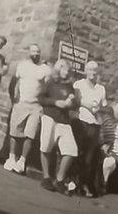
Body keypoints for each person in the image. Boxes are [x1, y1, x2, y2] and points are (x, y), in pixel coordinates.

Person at [3, 44, 50, 174]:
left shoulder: (45, 69)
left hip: (36, 106)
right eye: (33, 51)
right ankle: (12, 157)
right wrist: (14, 98)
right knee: (15, 132)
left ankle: (22, 161)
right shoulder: (22, 65)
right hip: (21, 103)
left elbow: (47, 88)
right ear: (29, 53)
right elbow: (15, 82)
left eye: (38, 52)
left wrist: (41, 100)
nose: (35, 54)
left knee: (30, 134)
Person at [37, 59, 78, 195]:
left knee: (72, 150)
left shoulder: (70, 86)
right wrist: (56, 102)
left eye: (68, 69)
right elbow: (41, 98)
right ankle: (46, 177)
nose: (66, 72)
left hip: (64, 121)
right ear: (58, 69)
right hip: (50, 117)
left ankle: (59, 180)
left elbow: (75, 105)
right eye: (63, 68)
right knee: (46, 146)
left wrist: (70, 103)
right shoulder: (50, 83)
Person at [72, 60, 107, 197]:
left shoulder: (101, 89)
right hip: (81, 121)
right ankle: (73, 182)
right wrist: (86, 105)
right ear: (85, 71)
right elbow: (74, 102)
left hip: (94, 125)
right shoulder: (79, 84)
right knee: (77, 153)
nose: (92, 72)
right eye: (90, 69)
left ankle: (84, 184)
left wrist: (99, 109)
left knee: (89, 158)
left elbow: (104, 107)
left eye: (95, 70)